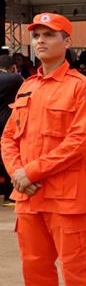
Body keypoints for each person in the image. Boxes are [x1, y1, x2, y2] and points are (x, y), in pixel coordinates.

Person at [0, 13, 86, 286]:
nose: (40, 40)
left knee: (74, 267)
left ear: (66, 42)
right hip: (29, 194)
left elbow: (78, 144)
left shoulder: (80, 88)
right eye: (37, 35)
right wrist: (16, 172)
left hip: (64, 196)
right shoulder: (27, 86)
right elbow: (9, 136)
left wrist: (31, 171)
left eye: (49, 35)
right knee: (35, 266)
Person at [0, 55, 23, 203]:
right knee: (9, 157)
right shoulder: (13, 79)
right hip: (5, 124)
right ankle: (10, 194)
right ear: (12, 67)